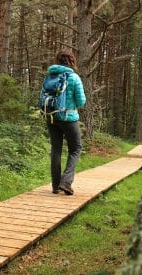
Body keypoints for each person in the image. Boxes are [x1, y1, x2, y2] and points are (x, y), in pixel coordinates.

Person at [46, 49, 86, 195]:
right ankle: (66, 182)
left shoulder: (50, 76)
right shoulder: (74, 78)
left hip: (51, 117)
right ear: (72, 61)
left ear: (58, 60)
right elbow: (81, 101)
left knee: (56, 149)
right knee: (75, 148)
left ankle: (56, 186)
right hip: (69, 118)